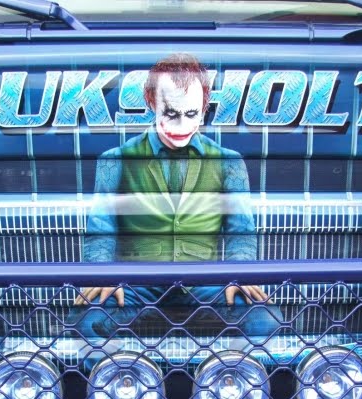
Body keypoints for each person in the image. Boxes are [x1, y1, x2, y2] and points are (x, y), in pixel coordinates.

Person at [72, 53, 282, 340]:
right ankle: (117, 371)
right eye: (171, 113)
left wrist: (239, 273)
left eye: (192, 114)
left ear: (205, 105)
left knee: (265, 321)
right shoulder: (115, 160)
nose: (181, 125)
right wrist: (103, 274)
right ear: (150, 100)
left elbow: (240, 231)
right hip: (136, 285)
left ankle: (237, 371)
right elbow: (101, 230)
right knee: (88, 322)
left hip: (206, 284)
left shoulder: (228, 161)